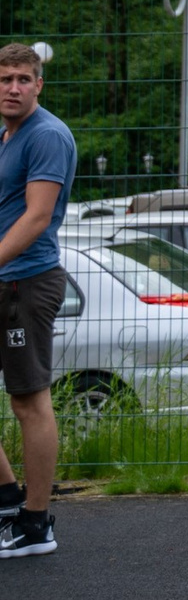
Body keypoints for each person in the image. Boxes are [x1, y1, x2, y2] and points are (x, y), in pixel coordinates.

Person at [0, 43, 72, 559]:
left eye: (23, 79)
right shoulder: (3, 134)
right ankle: (8, 499)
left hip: (25, 284)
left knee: (29, 402)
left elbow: (36, 218)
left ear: (39, 85)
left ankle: (35, 524)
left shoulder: (46, 135)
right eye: (5, 79)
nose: (13, 88)